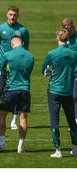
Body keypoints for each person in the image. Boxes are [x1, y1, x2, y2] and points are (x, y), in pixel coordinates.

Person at [0, 35, 34, 153]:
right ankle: (20, 146)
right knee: (23, 117)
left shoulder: (7, 55)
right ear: (22, 43)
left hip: (11, 89)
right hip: (25, 89)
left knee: (2, 114)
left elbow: (1, 71)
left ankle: (2, 144)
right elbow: (29, 71)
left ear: (12, 44)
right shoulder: (31, 56)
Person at [42, 29, 77, 158]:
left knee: (54, 121)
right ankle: (75, 148)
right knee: (71, 120)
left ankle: (58, 150)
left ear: (58, 38)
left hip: (54, 91)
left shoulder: (52, 53)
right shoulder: (74, 54)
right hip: (68, 90)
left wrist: (50, 72)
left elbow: (44, 69)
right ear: (67, 39)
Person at [61, 18, 77, 125]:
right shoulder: (64, 38)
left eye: (69, 28)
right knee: (69, 96)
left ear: (72, 26)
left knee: (75, 95)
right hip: (67, 70)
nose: (68, 30)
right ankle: (72, 121)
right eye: (65, 29)